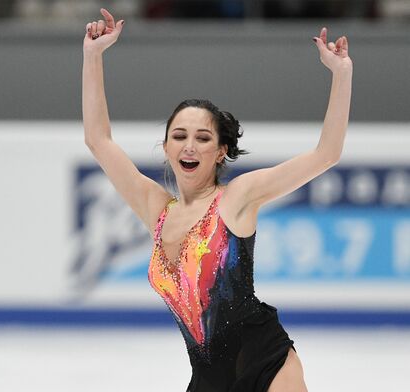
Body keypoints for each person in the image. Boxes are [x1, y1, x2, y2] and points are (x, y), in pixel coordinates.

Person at [83, 8, 352, 392]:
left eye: (203, 138)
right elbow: (99, 140)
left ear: (221, 151)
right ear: (166, 147)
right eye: (179, 136)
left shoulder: (236, 198)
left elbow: (327, 154)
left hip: (266, 363)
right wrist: (93, 57)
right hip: (208, 380)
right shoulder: (157, 209)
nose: (189, 146)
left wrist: (342, 75)